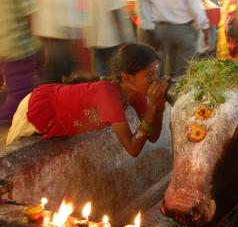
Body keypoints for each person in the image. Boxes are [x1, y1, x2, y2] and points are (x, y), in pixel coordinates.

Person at [6, 44, 168, 158]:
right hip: (39, 106)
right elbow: (132, 149)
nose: (155, 80)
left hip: (59, 110)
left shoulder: (137, 95)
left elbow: (152, 137)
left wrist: (158, 109)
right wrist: (152, 108)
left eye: (156, 74)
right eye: (149, 75)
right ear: (127, 77)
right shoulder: (107, 94)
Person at [143, 0, 210, 77]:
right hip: (183, 31)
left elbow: (145, 3)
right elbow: (193, 3)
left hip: (158, 31)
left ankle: (160, 93)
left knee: (158, 74)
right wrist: (205, 27)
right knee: (182, 76)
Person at [0, 0, 42, 124]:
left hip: (3, 47)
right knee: (19, 94)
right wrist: (39, 44)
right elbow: (31, 17)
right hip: (18, 48)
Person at [33, 0, 82, 84]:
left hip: (48, 35)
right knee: (56, 72)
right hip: (59, 38)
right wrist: (75, 34)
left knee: (54, 72)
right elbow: (65, 13)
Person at [85, 0, 134, 77]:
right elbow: (114, 7)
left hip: (96, 34)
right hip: (110, 36)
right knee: (113, 74)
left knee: (101, 73)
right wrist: (124, 36)